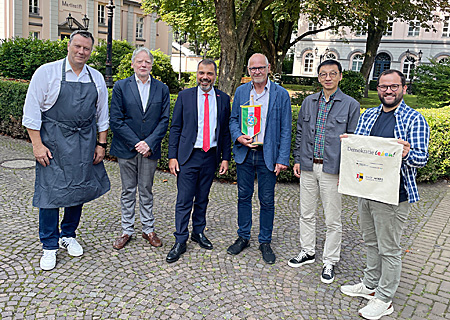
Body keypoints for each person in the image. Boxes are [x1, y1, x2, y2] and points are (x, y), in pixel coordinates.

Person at [340, 69, 429, 320]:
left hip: (393, 195)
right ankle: (369, 286)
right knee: (370, 242)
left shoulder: (414, 119)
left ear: (403, 88)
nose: (388, 91)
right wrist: (351, 144)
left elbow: (422, 159)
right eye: (383, 87)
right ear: (377, 88)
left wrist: (406, 153)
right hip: (366, 190)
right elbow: (362, 149)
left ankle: (385, 298)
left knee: (389, 249)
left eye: (393, 86)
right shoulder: (368, 115)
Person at [22, 30, 110, 271]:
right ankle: (49, 245)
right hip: (53, 142)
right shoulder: (46, 72)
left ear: (91, 51)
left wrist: (101, 144)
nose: (81, 52)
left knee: (78, 188)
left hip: (85, 142)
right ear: (69, 46)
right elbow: (31, 113)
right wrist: (37, 145)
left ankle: (68, 234)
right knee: (49, 194)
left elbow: (103, 115)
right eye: (78, 46)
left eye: (87, 48)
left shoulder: (96, 77)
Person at [288, 60, 360, 283]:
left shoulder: (350, 105)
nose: (327, 78)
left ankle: (330, 260)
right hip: (309, 166)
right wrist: (298, 159)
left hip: (333, 170)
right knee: (306, 213)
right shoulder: (309, 102)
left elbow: (353, 142)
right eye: (323, 74)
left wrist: (346, 173)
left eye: (332, 74)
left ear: (340, 76)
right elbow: (300, 132)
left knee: (333, 219)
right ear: (318, 78)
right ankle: (307, 251)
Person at [228, 53, 292, 264]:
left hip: (269, 156)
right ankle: (243, 236)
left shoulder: (280, 94)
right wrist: (239, 136)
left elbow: (286, 128)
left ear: (268, 68)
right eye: (253, 68)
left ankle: (265, 241)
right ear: (248, 70)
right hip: (245, 153)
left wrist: (282, 158)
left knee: (266, 201)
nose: (257, 71)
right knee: (243, 197)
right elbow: (233, 120)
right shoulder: (241, 91)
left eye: (261, 68)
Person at [166, 59, 231, 263]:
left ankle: (198, 232)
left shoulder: (223, 99)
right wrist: (172, 156)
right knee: (184, 200)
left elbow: (226, 132)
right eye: (202, 73)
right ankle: (180, 239)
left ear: (215, 75)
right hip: (188, 156)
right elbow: (175, 127)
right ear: (197, 74)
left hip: (210, 155)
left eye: (209, 74)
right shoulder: (185, 96)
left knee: (202, 198)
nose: (205, 77)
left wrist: (226, 158)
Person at [110, 47, 170, 250]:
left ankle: (148, 229)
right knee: (128, 190)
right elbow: (116, 120)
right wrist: (137, 143)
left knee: (146, 189)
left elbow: (164, 120)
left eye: (147, 62)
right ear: (133, 64)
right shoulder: (120, 86)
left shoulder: (162, 88)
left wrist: (149, 143)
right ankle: (127, 230)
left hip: (150, 150)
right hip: (127, 148)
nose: (144, 65)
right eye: (140, 61)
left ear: (151, 65)